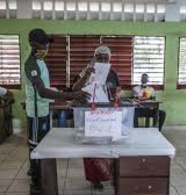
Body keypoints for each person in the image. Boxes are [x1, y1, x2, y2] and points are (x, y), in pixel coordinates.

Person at [24, 28, 89, 194]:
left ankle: (37, 172)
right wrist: (70, 95)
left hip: (44, 109)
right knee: (35, 145)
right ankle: (36, 181)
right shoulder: (31, 64)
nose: (46, 47)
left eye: (46, 44)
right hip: (36, 113)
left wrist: (67, 91)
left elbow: (47, 88)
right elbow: (42, 91)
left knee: (42, 144)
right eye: (42, 44)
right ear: (32, 44)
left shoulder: (40, 62)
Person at [72, 45, 120, 190]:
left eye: (106, 58)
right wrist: (87, 75)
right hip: (91, 115)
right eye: (100, 58)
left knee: (110, 147)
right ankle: (94, 179)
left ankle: (111, 176)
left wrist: (114, 100)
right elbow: (75, 89)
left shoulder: (112, 73)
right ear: (95, 58)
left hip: (108, 115)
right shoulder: (87, 71)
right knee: (91, 149)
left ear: (109, 59)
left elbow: (117, 90)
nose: (103, 60)